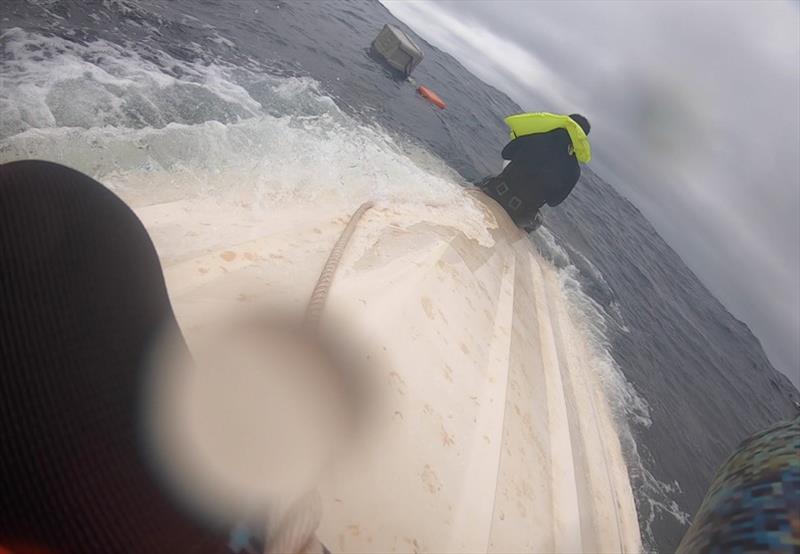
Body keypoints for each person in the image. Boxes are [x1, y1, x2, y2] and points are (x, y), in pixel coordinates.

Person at [478, 112, 591, 232]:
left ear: (564, 122)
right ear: (580, 138)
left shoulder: (536, 135)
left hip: (497, 191)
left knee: (488, 179)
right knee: (537, 221)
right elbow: (553, 202)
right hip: (520, 214)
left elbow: (505, 153)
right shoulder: (574, 170)